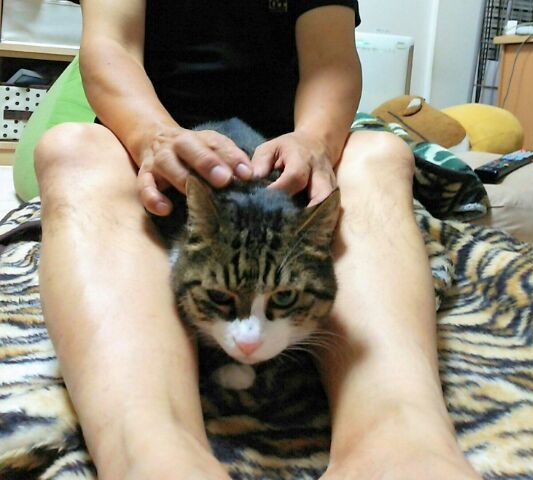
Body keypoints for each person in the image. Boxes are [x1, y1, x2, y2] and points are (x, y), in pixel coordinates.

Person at [34, 1, 481, 479]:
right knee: (70, 149)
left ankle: (399, 447)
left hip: (284, 149)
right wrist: (154, 136)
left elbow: (330, 61)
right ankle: (155, 456)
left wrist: (315, 141)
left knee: (381, 152)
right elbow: (111, 46)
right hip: (141, 137)